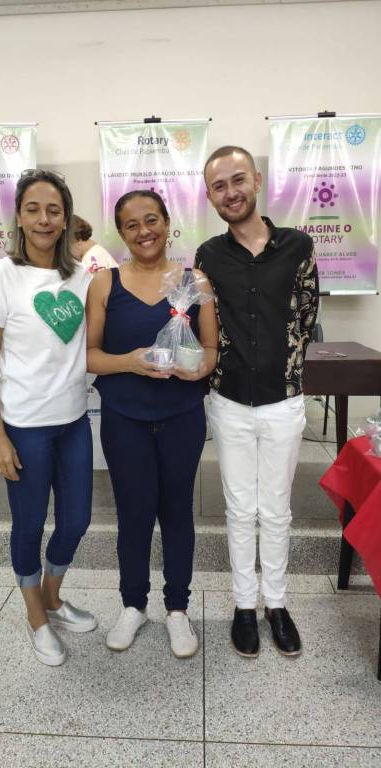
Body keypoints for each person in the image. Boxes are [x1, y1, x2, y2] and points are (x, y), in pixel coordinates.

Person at [195, 146, 319, 658]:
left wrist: (281, 364)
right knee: (240, 507)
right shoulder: (207, 255)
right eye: (219, 186)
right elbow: (203, 323)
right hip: (228, 401)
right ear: (210, 196)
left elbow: (306, 315)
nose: (231, 192)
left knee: (276, 509)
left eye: (238, 180)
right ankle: (244, 606)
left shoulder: (298, 246)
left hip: (282, 401)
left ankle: (277, 604)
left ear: (258, 181)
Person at [0, 169, 97, 667]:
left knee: (77, 520)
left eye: (53, 210)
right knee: (28, 524)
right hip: (24, 426)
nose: (44, 219)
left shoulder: (81, 276)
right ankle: (35, 615)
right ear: (19, 218)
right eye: (33, 209)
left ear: (65, 218)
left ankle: (52, 596)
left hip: (74, 422)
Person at [86, 190, 218, 658]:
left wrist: (199, 369)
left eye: (151, 220)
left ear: (167, 222)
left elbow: (211, 349)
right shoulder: (104, 284)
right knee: (134, 512)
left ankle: (177, 609)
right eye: (131, 224)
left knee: (177, 510)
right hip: (125, 418)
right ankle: (133, 605)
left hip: (181, 415)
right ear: (121, 233)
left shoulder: (194, 281)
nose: (143, 231)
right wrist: (131, 362)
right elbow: (89, 355)